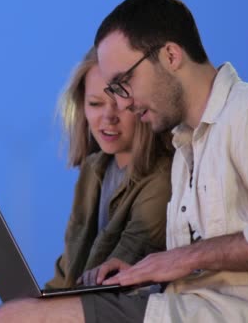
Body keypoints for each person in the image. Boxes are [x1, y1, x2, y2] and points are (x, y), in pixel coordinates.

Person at [0, 0, 248, 323]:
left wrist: (182, 258)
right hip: (186, 306)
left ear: (171, 56)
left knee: (13, 319)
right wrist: (147, 271)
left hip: (245, 313)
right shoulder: (188, 145)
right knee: (13, 314)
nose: (124, 103)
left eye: (124, 82)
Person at [45, 46, 173, 290]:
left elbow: (118, 274)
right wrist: (35, 302)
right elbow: (67, 271)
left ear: (141, 105)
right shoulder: (92, 171)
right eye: (95, 103)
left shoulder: (163, 177)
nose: (108, 116)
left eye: (119, 104)